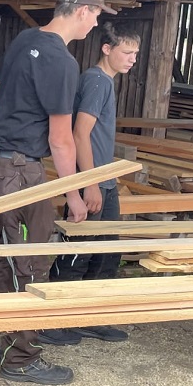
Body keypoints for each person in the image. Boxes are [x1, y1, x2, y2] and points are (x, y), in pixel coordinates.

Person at [0, 0, 115, 385]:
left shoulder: (25, 38)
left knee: (1, 251)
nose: (95, 25)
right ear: (82, 11)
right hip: (19, 170)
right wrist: (74, 195)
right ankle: (20, 356)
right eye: (96, 16)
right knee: (30, 259)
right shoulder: (62, 62)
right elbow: (61, 140)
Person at [46, 21, 141, 345]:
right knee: (79, 251)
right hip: (94, 179)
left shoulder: (105, 82)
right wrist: (89, 183)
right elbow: (79, 133)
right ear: (107, 49)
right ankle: (53, 320)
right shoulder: (96, 81)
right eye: (126, 52)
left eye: (135, 54)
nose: (132, 59)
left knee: (106, 252)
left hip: (106, 179)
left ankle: (90, 318)